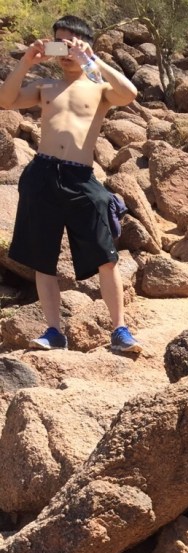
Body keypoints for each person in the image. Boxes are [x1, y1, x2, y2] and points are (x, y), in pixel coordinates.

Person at [0, 15, 141, 354]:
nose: (65, 52)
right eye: (59, 44)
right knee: (41, 258)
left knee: (106, 258)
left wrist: (92, 61)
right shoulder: (45, 86)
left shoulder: (99, 89)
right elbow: (6, 100)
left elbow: (130, 93)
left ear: (86, 46)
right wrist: (26, 62)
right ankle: (53, 331)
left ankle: (119, 329)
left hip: (82, 178)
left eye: (72, 44)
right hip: (42, 173)